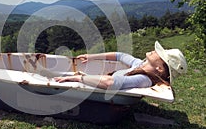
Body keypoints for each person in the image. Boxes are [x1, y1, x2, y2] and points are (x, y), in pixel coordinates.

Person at [54, 41, 187, 90]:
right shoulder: (140, 65)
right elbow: (120, 55)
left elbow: (111, 83)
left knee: (60, 78)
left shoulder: (144, 79)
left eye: (159, 54)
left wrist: (79, 78)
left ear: (159, 68)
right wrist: (92, 57)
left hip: (96, 89)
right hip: (95, 82)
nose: (155, 51)